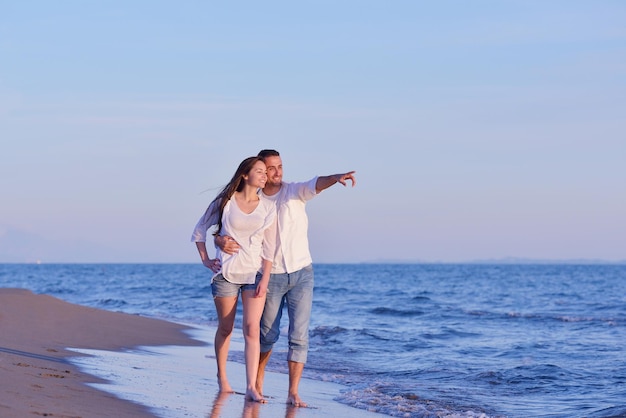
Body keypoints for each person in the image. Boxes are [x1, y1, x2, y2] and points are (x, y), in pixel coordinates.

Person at [216, 149, 356, 407]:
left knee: (299, 335)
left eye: (280, 166)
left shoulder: (294, 191)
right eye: (271, 168)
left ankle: (293, 393)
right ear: (261, 171)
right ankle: (256, 384)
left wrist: (336, 177)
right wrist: (219, 239)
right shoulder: (254, 202)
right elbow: (227, 225)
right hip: (270, 276)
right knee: (267, 334)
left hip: (302, 273)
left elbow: (316, 183)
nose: (278, 172)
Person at [191, 156, 277, 403]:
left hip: (254, 274)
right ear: (245, 175)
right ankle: (223, 376)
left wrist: (266, 278)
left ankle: (251, 386)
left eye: (265, 172)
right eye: (259, 171)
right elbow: (200, 230)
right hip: (226, 274)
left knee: (252, 329)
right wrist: (206, 259)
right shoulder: (225, 202)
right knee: (226, 328)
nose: (264, 175)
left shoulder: (268, 207)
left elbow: (270, 247)